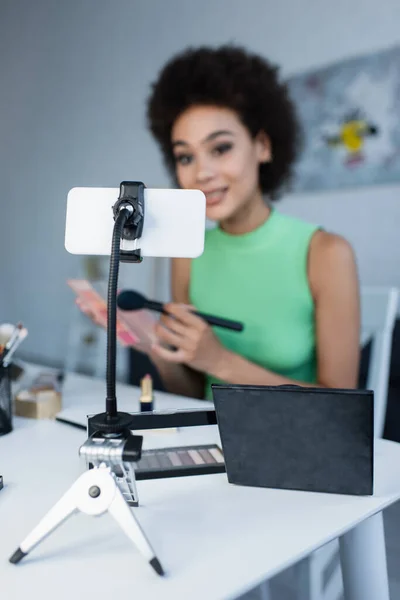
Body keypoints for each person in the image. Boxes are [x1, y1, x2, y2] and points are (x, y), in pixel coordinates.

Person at [79, 45, 361, 401]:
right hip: (211, 441)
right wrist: (151, 341)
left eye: (221, 148)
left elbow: (343, 407)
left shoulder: (325, 253)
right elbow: (193, 390)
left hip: (295, 447)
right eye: (185, 156)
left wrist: (222, 361)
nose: (202, 173)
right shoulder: (187, 253)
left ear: (262, 146)